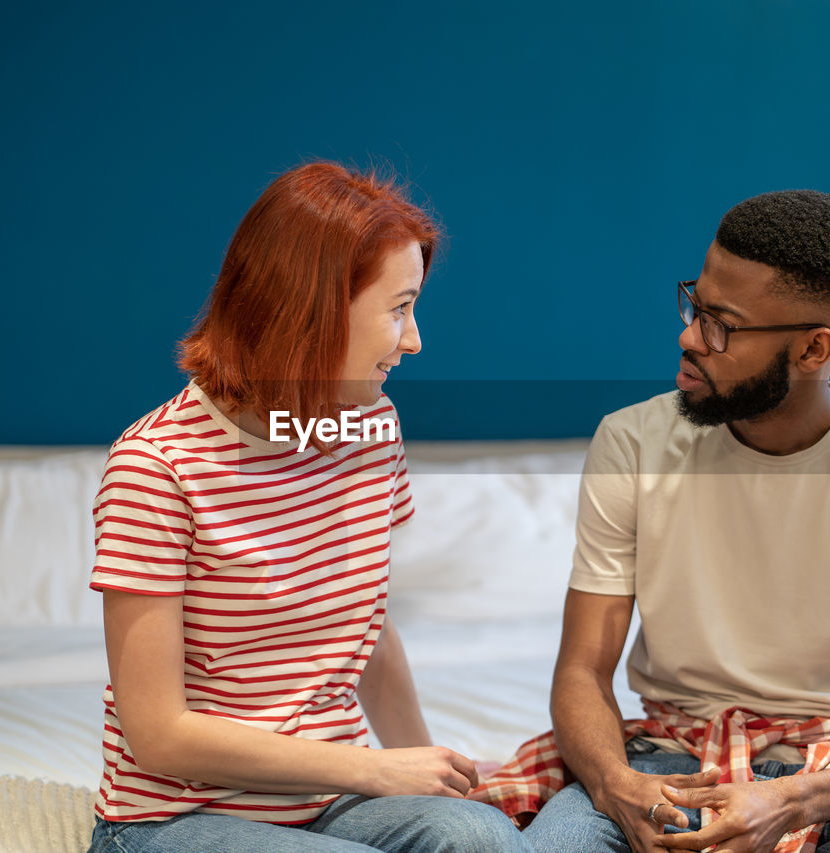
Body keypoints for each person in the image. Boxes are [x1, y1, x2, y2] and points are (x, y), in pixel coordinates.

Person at [507, 190, 830, 852]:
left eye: (720, 324)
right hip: (662, 751)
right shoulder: (631, 443)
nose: (687, 337)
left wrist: (788, 800)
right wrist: (616, 782)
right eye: (693, 305)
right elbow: (583, 670)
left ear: (815, 350)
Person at [86, 162, 532, 853]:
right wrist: (372, 768)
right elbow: (158, 731)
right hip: (177, 820)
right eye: (398, 308)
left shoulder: (367, 427)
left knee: (484, 838)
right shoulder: (157, 467)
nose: (414, 340)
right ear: (314, 308)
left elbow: (369, 634)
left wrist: (433, 775)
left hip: (328, 806)